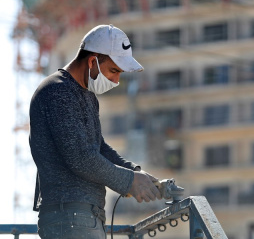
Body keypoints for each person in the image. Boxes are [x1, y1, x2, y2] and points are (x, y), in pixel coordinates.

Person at [29, 24, 166, 239]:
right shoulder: (56, 91)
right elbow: (81, 158)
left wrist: (135, 172)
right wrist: (130, 181)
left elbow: (98, 147)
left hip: (83, 217)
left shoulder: (86, 96)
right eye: (113, 71)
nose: (116, 81)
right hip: (69, 217)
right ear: (93, 61)